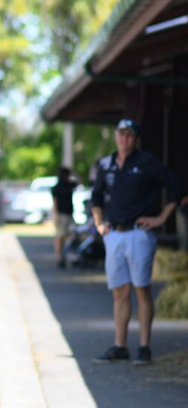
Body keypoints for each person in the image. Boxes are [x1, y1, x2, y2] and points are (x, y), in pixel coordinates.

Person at [91, 119, 185, 366]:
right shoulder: (106, 165)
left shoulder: (147, 162)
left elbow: (176, 186)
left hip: (139, 233)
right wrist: (100, 224)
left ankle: (144, 346)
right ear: (115, 136)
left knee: (141, 288)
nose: (125, 139)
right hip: (115, 235)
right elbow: (96, 197)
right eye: (121, 135)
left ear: (136, 139)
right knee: (119, 291)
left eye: (129, 136)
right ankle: (120, 345)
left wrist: (161, 218)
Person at [51, 166, 76, 269]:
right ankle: (59, 257)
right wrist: (56, 215)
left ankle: (66, 255)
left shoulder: (69, 185)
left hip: (70, 213)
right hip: (61, 214)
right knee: (60, 236)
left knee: (71, 235)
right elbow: (55, 202)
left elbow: (79, 181)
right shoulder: (57, 187)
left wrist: (73, 171)